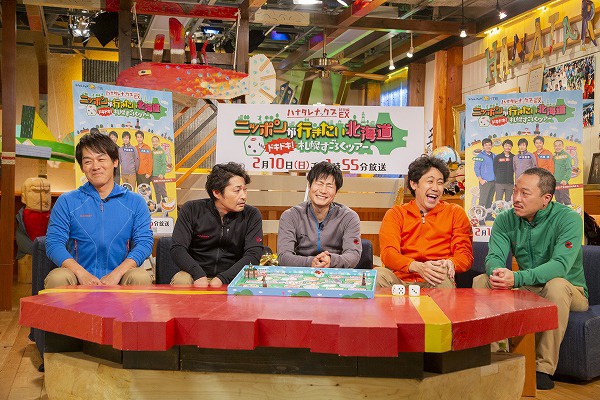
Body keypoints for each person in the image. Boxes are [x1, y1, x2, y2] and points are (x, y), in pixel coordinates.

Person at [473, 168, 588, 390]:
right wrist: (497, 272)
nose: (516, 198)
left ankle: (542, 368)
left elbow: (560, 266)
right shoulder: (505, 219)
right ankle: (497, 358)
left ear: (546, 199)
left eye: (524, 193)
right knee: (482, 281)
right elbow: (494, 256)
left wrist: (516, 278)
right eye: (515, 191)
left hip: (570, 290)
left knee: (556, 285)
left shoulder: (569, 219)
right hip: (529, 288)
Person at [45, 131, 153, 287]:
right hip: (78, 277)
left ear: (115, 162)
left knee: (140, 277)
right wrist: (81, 274)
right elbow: (54, 243)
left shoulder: (135, 202)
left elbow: (144, 243)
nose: (95, 167)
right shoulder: (67, 201)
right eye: (88, 161)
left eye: (101, 159)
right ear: (82, 167)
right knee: (57, 277)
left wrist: (117, 274)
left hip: (120, 277)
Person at [376, 156, 473, 288]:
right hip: (401, 281)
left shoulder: (455, 213)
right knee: (378, 275)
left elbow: (465, 255)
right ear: (414, 184)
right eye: (430, 181)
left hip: (436, 279)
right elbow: (388, 253)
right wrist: (415, 266)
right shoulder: (396, 214)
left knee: (442, 279)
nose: (435, 188)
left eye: (440, 183)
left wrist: (452, 263)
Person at [170, 162, 264, 287]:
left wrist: (223, 279)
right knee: (181, 279)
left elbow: (253, 254)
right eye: (237, 191)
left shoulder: (251, 215)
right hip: (195, 274)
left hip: (234, 275)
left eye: (245, 190)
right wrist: (198, 274)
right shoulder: (191, 210)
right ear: (217, 193)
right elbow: (178, 248)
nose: (243, 196)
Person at [277, 161, 361, 268]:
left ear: (336, 191)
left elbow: (353, 255)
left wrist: (331, 260)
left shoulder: (349, 217)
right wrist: (310, 262)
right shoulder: (290, 216)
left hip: (335, 272)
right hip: (300, 273)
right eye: (319, 183)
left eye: (329, 186)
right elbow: (284, 256)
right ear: (309, 185)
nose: (323, 190)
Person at [474, 138, 496, 212]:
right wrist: (480, 180)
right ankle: (479, 216)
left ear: (491, 146)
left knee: (489, 201)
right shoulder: (480, 156)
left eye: (489, 145)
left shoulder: (494, 156)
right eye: (486, 145)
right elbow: (476, 168)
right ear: (483, 146)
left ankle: (488, 216)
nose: (488, 146)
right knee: (482, 201)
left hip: (494, 181)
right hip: (485, 182)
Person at [151, 135, 170, 204]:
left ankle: (166, 207)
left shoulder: (161, 151)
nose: (155, 143)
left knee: (163, 193)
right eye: (153, 141)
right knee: (157, 192)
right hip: (153, 175)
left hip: (160, 176)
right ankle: (159, 206)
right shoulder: (152, 151)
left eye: (156, 141)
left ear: (159, 142)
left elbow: (164, 164)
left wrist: (162, 174)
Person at [553, 139, 572, 205]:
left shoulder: (566, 156)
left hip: (562, 182)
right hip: (555, 182)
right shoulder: (554, 156)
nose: (557, 147)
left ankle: (569, 211)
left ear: (563, 146)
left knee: (566, 200)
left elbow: (569, 169)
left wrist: (565, 179)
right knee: (558, 200)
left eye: (559, 145)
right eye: (555, 146)